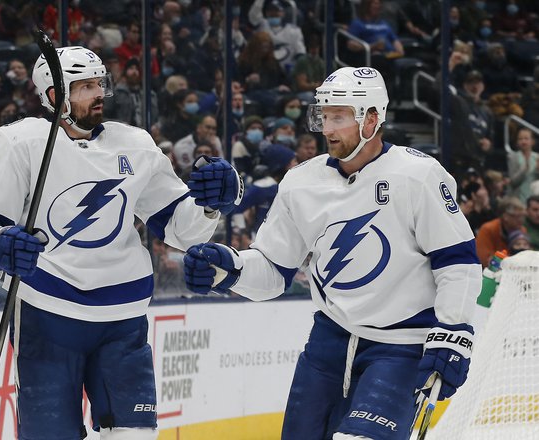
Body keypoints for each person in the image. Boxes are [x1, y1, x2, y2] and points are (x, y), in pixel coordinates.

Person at [0, 46, 243, 440]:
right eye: (84, 86)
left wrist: (211, 206)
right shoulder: (19, 143)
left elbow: (179, 227)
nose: (97, 93)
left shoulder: (135, 144)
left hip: (122, 313)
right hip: (48, 309)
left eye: (99, 84)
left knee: (135, 434)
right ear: (54, 95)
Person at [183, 66, 481, 440]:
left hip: (401, 348)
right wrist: (233, 268)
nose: (327, 128)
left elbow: (457, 261)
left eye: (339, 117)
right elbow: (275, 270)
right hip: (327, 344)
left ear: (372, 119)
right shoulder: (301, 182)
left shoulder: (419, 176)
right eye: (324, 116)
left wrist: (454, 329)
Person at [475, 196, 526, 266]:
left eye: (523, 216)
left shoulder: (521, 230)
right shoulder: (488, 229)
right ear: (505, 216)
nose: (521, 220)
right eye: (517, 216)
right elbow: (484, 259)